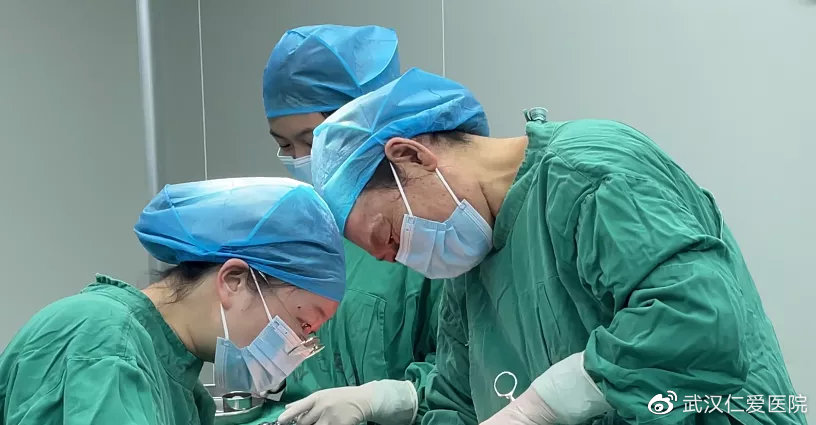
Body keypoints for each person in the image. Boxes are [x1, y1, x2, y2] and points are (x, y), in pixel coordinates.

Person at [306, 68, 806, 425]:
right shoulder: (470, 267)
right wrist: (393, 400)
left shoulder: (591, 174)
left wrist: (542, 405)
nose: (399, 258)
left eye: (391, 236)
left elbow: (697, 319)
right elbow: (461, 400)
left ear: (411, 157)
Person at [0, 177, 346, 425]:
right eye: (302, 325)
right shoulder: (104, 341)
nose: (295, 348)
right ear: (234, 281)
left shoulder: (186, 389)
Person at [263, 24, 442, 425]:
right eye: (284, 145)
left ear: (366, 126)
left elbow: (467, 375)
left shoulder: (430, 234)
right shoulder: (298, 232)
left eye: (312, 141)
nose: (300, 158)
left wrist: (388, 399)